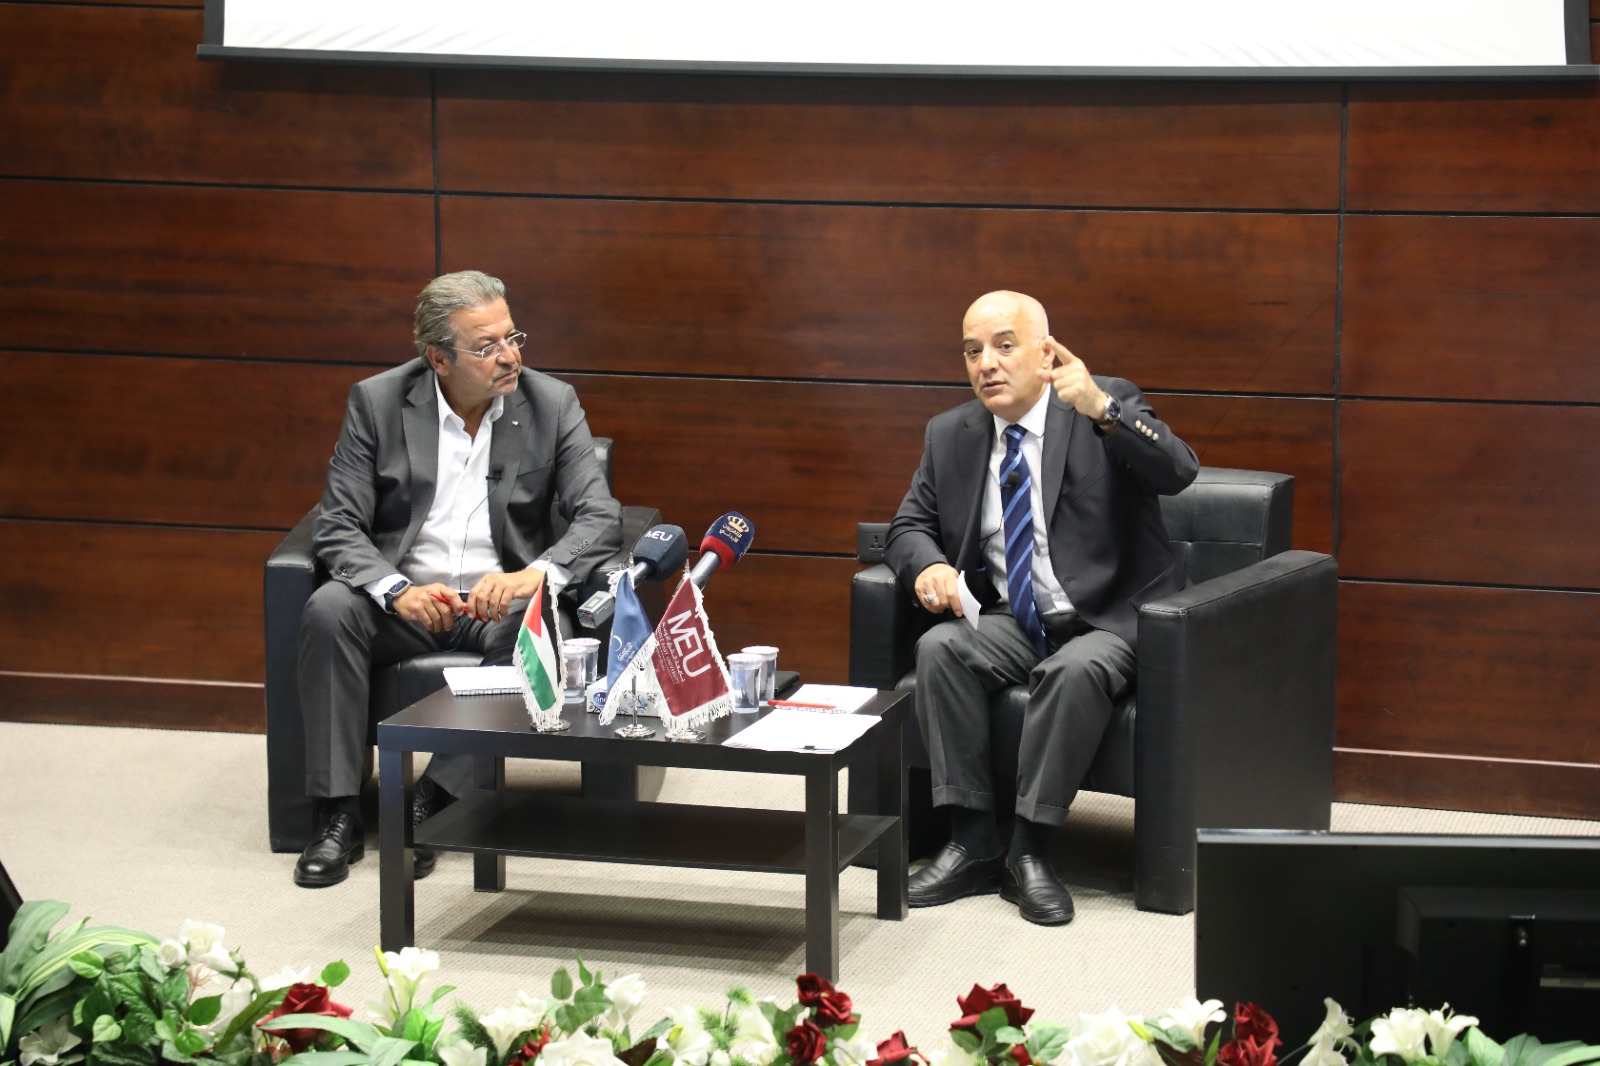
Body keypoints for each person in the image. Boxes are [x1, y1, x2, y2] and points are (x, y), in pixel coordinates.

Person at [293, 270, 623, 888]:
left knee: (538, 630)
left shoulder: (551, 404)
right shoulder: (377, 402)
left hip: (499, 603)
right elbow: (337, 524)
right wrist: (396, 590)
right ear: (438, 358)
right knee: (329, 609)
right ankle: (337, 814)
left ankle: (431, 801)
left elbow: (600, 515)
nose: (510, 356)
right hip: (402, 601)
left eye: (512, 337)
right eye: (487, 346)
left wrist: (532, 576)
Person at [884, 290, 1197, 925]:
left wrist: (1104, 410)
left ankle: (1029, 851)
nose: (987, 364)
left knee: (1074, 671)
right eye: (973, 351)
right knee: (940, 649)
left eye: (1004, 346)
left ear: (1046, 353)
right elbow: (906, 527)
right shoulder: (951, 434)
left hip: (1109, 616)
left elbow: (1179, 470)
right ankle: (972, 842)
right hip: (1016, 618)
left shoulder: (1099, 404)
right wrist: (931, 565)